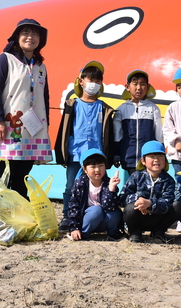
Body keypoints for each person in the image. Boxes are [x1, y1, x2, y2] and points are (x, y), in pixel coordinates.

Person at [0, 18, 52, 198]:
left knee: (23, 174)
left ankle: (20, 215)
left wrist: (47, 124)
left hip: (33, 128)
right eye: (26, 33)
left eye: (35, 34)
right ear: (17, 37)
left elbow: (44, 96)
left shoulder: (40, 66)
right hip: (8, 127)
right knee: (4, 173)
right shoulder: (5, 59)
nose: (30, 37)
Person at [54, 61, 115, 223]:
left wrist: (110, 156)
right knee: (70, 186)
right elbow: (64, 130)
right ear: (81, 81)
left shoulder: (104, 108)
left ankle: (96, 216)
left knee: (98, 186)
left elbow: (109, 134)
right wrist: (61, 153)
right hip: (75, 154)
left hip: (97, 155)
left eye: (97, 81)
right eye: (90, 80)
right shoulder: (72, 104)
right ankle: (67, 217)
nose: (93, 84)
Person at [119, 141, 181, 243]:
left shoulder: (168, 180)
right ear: (143, 161)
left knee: (177, 206)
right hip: (139, 216)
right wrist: (139, 201)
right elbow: (122, 197)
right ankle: (135, 232)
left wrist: (150, 204)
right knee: (129, 209)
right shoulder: (136, 176)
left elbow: (167, 202)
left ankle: (158, 232)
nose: (156, 160)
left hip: (157, 217)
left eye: (160, 156)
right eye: (151, 156)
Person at [65, 148, 122, 241]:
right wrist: (74, 228)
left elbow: (109, 207)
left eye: (101, 166)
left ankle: (113, 233)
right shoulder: (80, 183)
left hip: (104, 221)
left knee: (114, 213)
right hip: (88, 219)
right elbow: (73, 206)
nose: (97, 170)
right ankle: (83, 233)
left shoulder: (109, 182)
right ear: (85, 169)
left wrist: (111, 189)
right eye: (92, 166)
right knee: (96, 210)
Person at [113, 70, 162, 175]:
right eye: (135, 84)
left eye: (143, 84)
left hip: (148, 158)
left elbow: (158, 134)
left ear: (148, 87)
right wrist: (116, 154)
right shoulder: (121, 109)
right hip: (128, 158)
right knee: (133, 186)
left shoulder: (153, 108)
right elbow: (117, 134)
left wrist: (159, 153)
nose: (139, 88)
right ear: (127, 87)